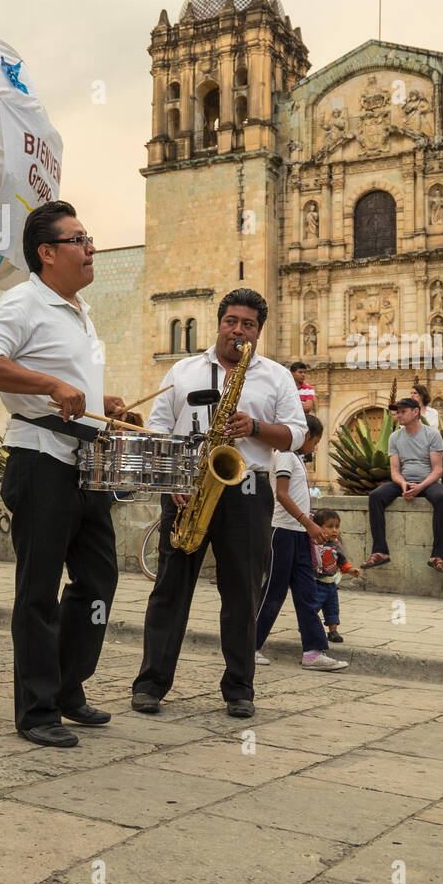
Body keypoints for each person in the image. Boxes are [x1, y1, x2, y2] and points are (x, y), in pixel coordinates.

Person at [0, 200, 128, 749]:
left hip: (88, 464)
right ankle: (36, 711)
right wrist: (50, 386)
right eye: (79, 239)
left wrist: (101, 400)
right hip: (41, 461)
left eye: (89, 238)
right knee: (38, 591)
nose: (90, 248)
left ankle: (66, 687)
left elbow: (70, 380)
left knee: (99, 580)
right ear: (47, 251)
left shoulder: (80, 309)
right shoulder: (23, 301)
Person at [132, 287, 306, 719]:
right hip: (187, 487)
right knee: (170, 589)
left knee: (243, 593)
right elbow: (159, 429)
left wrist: (255, 427)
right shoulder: (183, 370)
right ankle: (151, 684)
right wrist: (173, 477)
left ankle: (239, 689)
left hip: (246, 490)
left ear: (258, 331)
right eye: (231, 321)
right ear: (219, 323)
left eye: (248, 324)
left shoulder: (276, 375)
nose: (238, 330)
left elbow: (297, 435)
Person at [252, 416, 348, 671]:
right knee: (273, 592)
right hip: (283, 532)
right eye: (315, 442)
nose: (315, 447)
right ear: (306, 436)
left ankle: (313, 650)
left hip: (298, 534)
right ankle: (250, 644)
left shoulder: (295, 459)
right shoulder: (284, 455)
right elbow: (282, 494)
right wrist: (309, 523)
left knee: (307, 593)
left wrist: (309, 528)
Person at [363, 396, 443, 573]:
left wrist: (420, 487)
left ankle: (438, 555)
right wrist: (403, 484)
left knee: (441, 498)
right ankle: (380, 551)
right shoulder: (394, 437)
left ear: (416, 412)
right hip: (404, 480)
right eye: (397, 412)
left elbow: (437, 470)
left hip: (428, 481)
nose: (399, 415)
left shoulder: (432, 434)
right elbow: (395, 470)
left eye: (403, 411)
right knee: (375, 496)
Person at [309, 507, 361, 643]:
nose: (334, 530)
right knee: (313, 607)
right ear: (318, 527)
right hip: (316, 583)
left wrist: (350, 570)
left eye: (337, 527)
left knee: (332, 608)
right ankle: (307, 626)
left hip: (331, 584)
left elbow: (342, 561)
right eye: (330, 527)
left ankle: (333, 632)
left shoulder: (336, 545)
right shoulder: (313, 544)